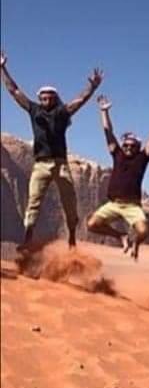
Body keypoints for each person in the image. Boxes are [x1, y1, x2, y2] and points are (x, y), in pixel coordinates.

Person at [1, 51, 103, 249]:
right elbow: (14, 91)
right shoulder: (34, 110)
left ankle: (72, 236)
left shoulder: (62, 112)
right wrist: (3, 69)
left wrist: (92, 87)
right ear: (40, 99)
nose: (47, 101)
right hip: (41, 165)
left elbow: (79, 101)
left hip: (61, 164)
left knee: (70, 202)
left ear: (56, 99)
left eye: (50, 98)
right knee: (33, 202)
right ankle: (27, 239)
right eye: (44, 98)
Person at [87, 95, 149, 260]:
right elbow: (108, 133)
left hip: (132, 206)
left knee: (143, 230)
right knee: (92, 224)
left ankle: (135, 243)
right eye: (126, 145)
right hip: (113, 204)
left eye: (132, 145)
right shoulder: (117, 154)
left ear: (138, 147)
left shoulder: (142, 158)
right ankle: (120, 236)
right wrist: (104, 111)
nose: (128, 148)